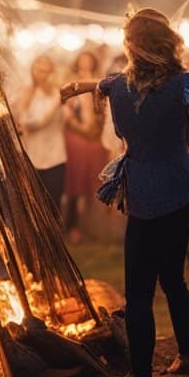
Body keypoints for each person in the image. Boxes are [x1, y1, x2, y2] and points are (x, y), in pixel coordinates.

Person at [61, 8, 189, 377]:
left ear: (134, 47)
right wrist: (85, 84)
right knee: (174, 278)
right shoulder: (184, 82)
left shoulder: (121, 90)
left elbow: (112, 91)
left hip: (149, 199)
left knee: (138, 293)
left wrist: (84, 87)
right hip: (185, 190)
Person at [15, 55, 68, 222]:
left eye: (46, 70)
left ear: (52, 72)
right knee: (31, 203)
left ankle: (54, 243)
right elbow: (22, 120)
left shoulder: (58, 95)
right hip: (31, 155)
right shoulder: (26, 92)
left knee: (53, 203)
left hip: (54, 156)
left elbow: (39, 121)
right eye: (39, 70)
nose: (42, 74)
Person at [63, 51, 107, 243]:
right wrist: (80, 128)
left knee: (93, 182)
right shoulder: (71, 82)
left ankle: (89, 226)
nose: (86, 63)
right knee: (75, 180)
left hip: (94, 138)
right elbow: (66, 110)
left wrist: (95, 128)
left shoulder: (101, 83)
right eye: (83, 60)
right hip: (76, 136)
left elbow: (103, 110)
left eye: (90, 60)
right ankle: (72, 226)